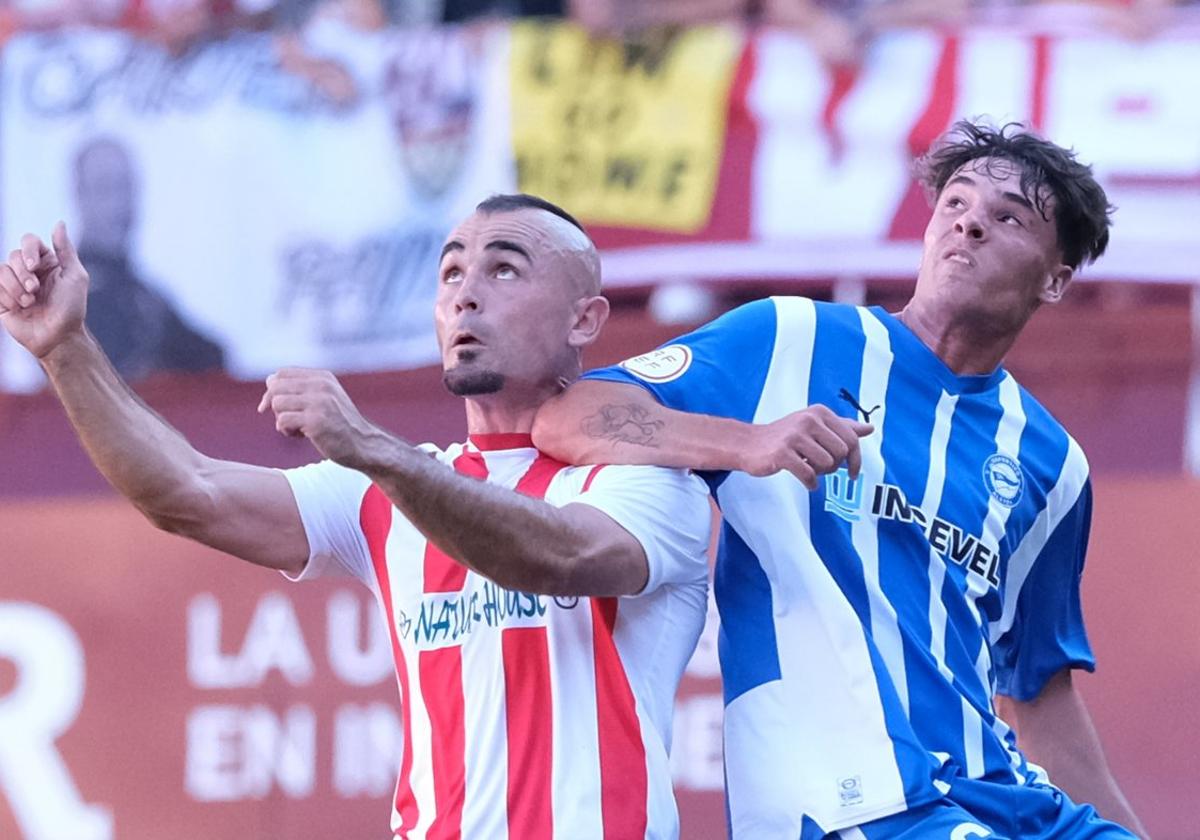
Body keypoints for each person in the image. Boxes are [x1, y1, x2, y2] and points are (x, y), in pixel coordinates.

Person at [0, 194, 711, 839]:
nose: (465, 296)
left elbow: (565, 557)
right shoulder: (383, 491)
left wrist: (375, 449)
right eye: (451, 273)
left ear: (583, 318)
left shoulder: (637, 475)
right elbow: (187, 492)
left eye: (503, 271)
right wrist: (66, 350)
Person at [533, 121, 1149, 838]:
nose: (970, 224)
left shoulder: (1053, 463)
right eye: (956, 203)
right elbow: (572, 416)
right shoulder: (790, 338)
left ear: (1055, 278)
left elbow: (1041, 694)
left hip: (1005, 798)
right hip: (851, 802)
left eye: (1007, 216)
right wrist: (748, 443)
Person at [72, 136, 225, 380]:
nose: (119, 206)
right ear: (80, 195)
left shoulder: (145, 295)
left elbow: (211, 356)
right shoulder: (69, 297)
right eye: (105, 188)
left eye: (126, 187)